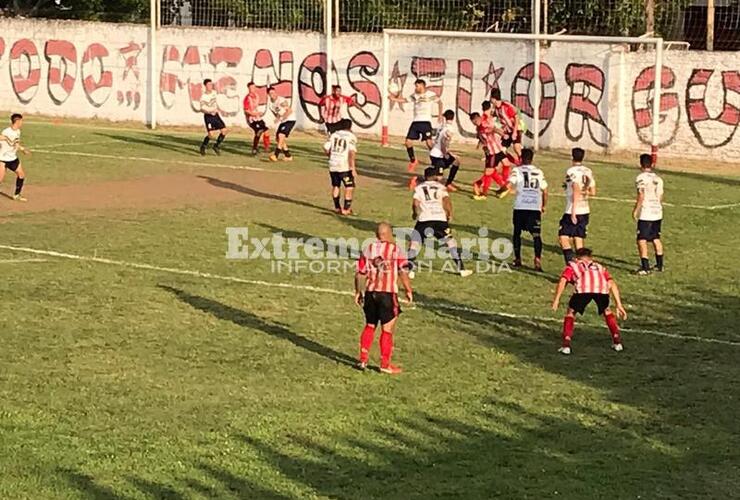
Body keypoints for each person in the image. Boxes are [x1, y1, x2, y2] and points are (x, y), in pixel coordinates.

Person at [355, 222, 413, 374]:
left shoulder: (368, 249)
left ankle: (363, 359)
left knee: (370, 325)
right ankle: (385, 364)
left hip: (370, 292)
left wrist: (358, 291)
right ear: (389, 234)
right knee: (387, 330)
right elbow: (402, 271)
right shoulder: (396, 250)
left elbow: (360, 273)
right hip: (387, 294)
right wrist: (408, 289)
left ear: (376, 235)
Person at [551, 247, 627, 355]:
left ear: (577, 258)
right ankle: (617, 342)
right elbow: (612, 284)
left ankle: (566, 345)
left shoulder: (573, 265)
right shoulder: (599, 267)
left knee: (571, 312)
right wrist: (619, 304)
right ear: (591, 258)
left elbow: (563, 280)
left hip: (583, 290)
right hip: (601, 290)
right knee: (607, 311)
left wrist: (556, 299)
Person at [408, 166, 473, 278]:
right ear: (435, 176)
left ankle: (410, 270)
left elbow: (415, 203)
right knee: (450, 243)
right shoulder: (441, 187)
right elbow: (447, 201)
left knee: (415, 243)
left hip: (425, 219)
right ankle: (461, 269)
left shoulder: (419, 188)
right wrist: (449, 214)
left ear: (425, 176)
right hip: (440, 218)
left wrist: (415, 213)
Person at [505, 148, 548, 271]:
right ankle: (537, 260)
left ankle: (517, 259)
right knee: (536, 235)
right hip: (534, 208)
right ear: (532, 159)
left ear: (521, 158)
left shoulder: (517, 171)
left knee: (517, 233)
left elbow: (509, 184)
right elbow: (545, 191)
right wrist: (544, 206)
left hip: (520, 207)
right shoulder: (539, 172)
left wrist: (501, 190)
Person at [388, 79, 443, 172]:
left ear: (422, 85)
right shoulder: (415, 95)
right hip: (416, 121)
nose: (416, 88)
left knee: (429, 143)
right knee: (408, 142)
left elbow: (440, 102)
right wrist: (393, 99)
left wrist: (440, 114)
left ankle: (436, 161)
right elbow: (405, 100)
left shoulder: (430, 94)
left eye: (417, 86)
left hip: (426, 121)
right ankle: (413, 160)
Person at [558, 147, 596, 264]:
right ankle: (583, 267)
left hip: (573, 210)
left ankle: (572, 266)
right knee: (578, 240)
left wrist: (573, 211)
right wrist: (583, 193)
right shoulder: (588, 171)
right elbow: (593, 192)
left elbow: (575, 189)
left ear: (572, 157)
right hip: (585, 210)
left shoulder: (571, 172)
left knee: (563, 237)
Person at [632, 153, 665, 275]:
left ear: (641, 164)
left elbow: (641, 194)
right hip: (657, 212)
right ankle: (660, 265)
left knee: (642, 239)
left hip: (646, 213)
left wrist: (636, 209)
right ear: (651, 164)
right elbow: (660, 196)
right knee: (655, 238)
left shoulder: (641, 178)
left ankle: (645, 267)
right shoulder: (658, 179)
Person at [323, 121, 358, 215]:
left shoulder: (334, 134)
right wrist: (352, 168)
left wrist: (331, 156)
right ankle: (346, 209)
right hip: (344, 165)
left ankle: (337, 208)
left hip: (333, 164)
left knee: (336, 185)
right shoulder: (351, 137)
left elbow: (326, 147)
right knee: (349, 187)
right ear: (350, 127)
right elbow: (351, 152)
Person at [428, 109, 460, 191]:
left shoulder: (441, 126)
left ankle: (448, 183)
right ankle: (419, 181)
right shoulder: (450, 129)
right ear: (453, 118)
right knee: (438, 178)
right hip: (438, 155)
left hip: (435, 153)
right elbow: (443, 142)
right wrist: (445, 153)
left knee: (456, 162)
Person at [0, 113, 30, 202]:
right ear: (17, 121)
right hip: (3, 159)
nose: (22, 123)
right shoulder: (6, 132)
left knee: (21, 175)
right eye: (21, 121)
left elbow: (15, 143)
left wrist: (22, 149)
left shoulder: (18, 131)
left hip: (13, 158)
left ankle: (16, 195)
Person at [490, 88, 523, 161]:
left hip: (516, 128)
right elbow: (491, 116)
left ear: (494, 99)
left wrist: (514, 132)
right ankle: (517, 163)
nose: (490, 100)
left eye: (491, 98)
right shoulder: (496, 108)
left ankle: (524, 163)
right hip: (507, 131)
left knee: (516, 147)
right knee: (501, 150)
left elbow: (516, 117)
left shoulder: (506, 106)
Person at [267, 86, 297, 162]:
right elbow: (276, 114)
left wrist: (281, 118)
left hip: (290, 119)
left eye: (273, 92)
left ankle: (275, 155)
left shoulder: (281, 100)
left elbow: (289, 111)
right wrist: (277, 118)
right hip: (283, 121)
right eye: (270, 93)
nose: (272, 94)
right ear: (268, 94)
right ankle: (288, 156)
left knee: (281, 135)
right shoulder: (271, 105)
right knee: (278, 138)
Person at [199, 79, 227, 156]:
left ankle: (216, 146)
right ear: (205, 86)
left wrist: (220, 110)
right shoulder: (203, 97)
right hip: (209, 117)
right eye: (209, 85)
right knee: (211, 134)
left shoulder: (214, 93)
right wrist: (209, 111)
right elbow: (202, 109)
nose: (210, 86)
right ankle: (203, 146)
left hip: (216, 115)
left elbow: (216, 103)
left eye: (211, 85)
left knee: (224, 130)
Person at [242, 82, 270, 155]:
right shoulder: (247, 98)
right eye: (251, 88)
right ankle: (254, 149)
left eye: (254, 88)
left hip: (257, 118)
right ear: (248, 89)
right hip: (251, 119)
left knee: (266, 131)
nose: (253, 89)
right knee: (259, 131)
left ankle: (266, 148)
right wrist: (255, 114)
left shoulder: (257, 96)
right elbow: (246, 111)